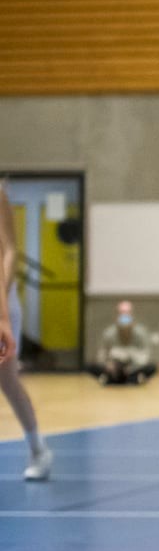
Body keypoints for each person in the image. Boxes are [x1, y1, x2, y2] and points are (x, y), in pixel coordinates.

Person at [0, 181, 51, 481]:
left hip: (3, 301)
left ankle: (38, 449)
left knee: (7, 381)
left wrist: (2, 307)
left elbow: (7, 250)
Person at [91, 301, 159, 385]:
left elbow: (145, 354)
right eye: (122, 313)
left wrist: (133, 366)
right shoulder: (109, 333)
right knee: (91, 366)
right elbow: (102, 353)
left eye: (127, 313)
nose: (125, 316)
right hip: (115, 366)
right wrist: (108, 364)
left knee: (152, 367)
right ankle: (128, 379)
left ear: (132, 314)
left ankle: (121, 379)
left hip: (133, 367)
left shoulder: (140, 332)